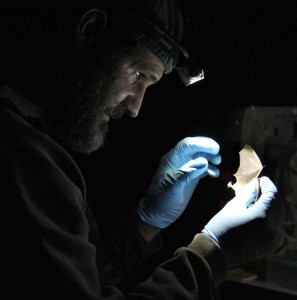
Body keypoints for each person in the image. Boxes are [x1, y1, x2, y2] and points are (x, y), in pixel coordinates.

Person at [0, 0, 278, 299]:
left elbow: (68, 279)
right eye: (138, 75)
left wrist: (145, 222)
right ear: (91, 30)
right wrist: (212, 253)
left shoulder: (27, 134)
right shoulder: (23, 160)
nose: (134, 107)